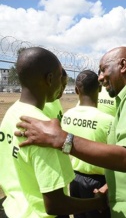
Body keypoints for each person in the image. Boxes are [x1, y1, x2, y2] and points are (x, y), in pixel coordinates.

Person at [14, 46, 126, 218]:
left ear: (123, 65)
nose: (100, 77)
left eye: (104, 69)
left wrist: (62, 139)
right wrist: (112, 184)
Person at [0, 47, 107, 218]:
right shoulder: (43, 132)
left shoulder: (12, 113)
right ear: (50, 79)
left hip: (13, 209)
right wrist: (98, 202)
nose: (62, 85)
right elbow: (54, 205)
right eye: (60, 78)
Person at [62, 69, 113, 218]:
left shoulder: (67, 116)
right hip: (100, 184)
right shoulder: (109, 121)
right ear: (99, 88)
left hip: (74, 179)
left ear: (77, 90)